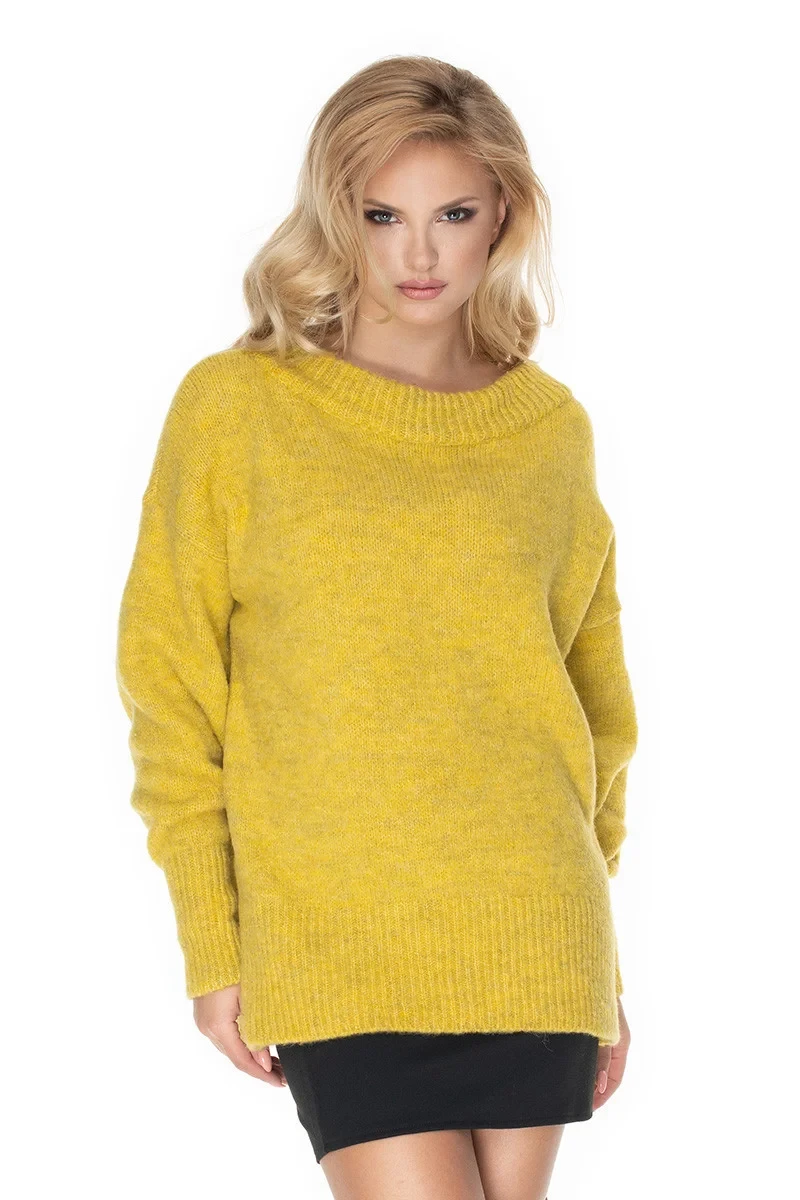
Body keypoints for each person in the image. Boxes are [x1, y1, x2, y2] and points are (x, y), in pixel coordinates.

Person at [115, 53, 638, 1200]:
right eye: (381, 214)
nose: (419, 254)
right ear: (332, 214)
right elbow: (171, 687)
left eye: (453, 214)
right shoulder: (238, 407)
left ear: (503, 213)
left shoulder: (547, 430)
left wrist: (599, 957)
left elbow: (595, 708)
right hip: (336, 941)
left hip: (533, 928)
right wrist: (212, 939)